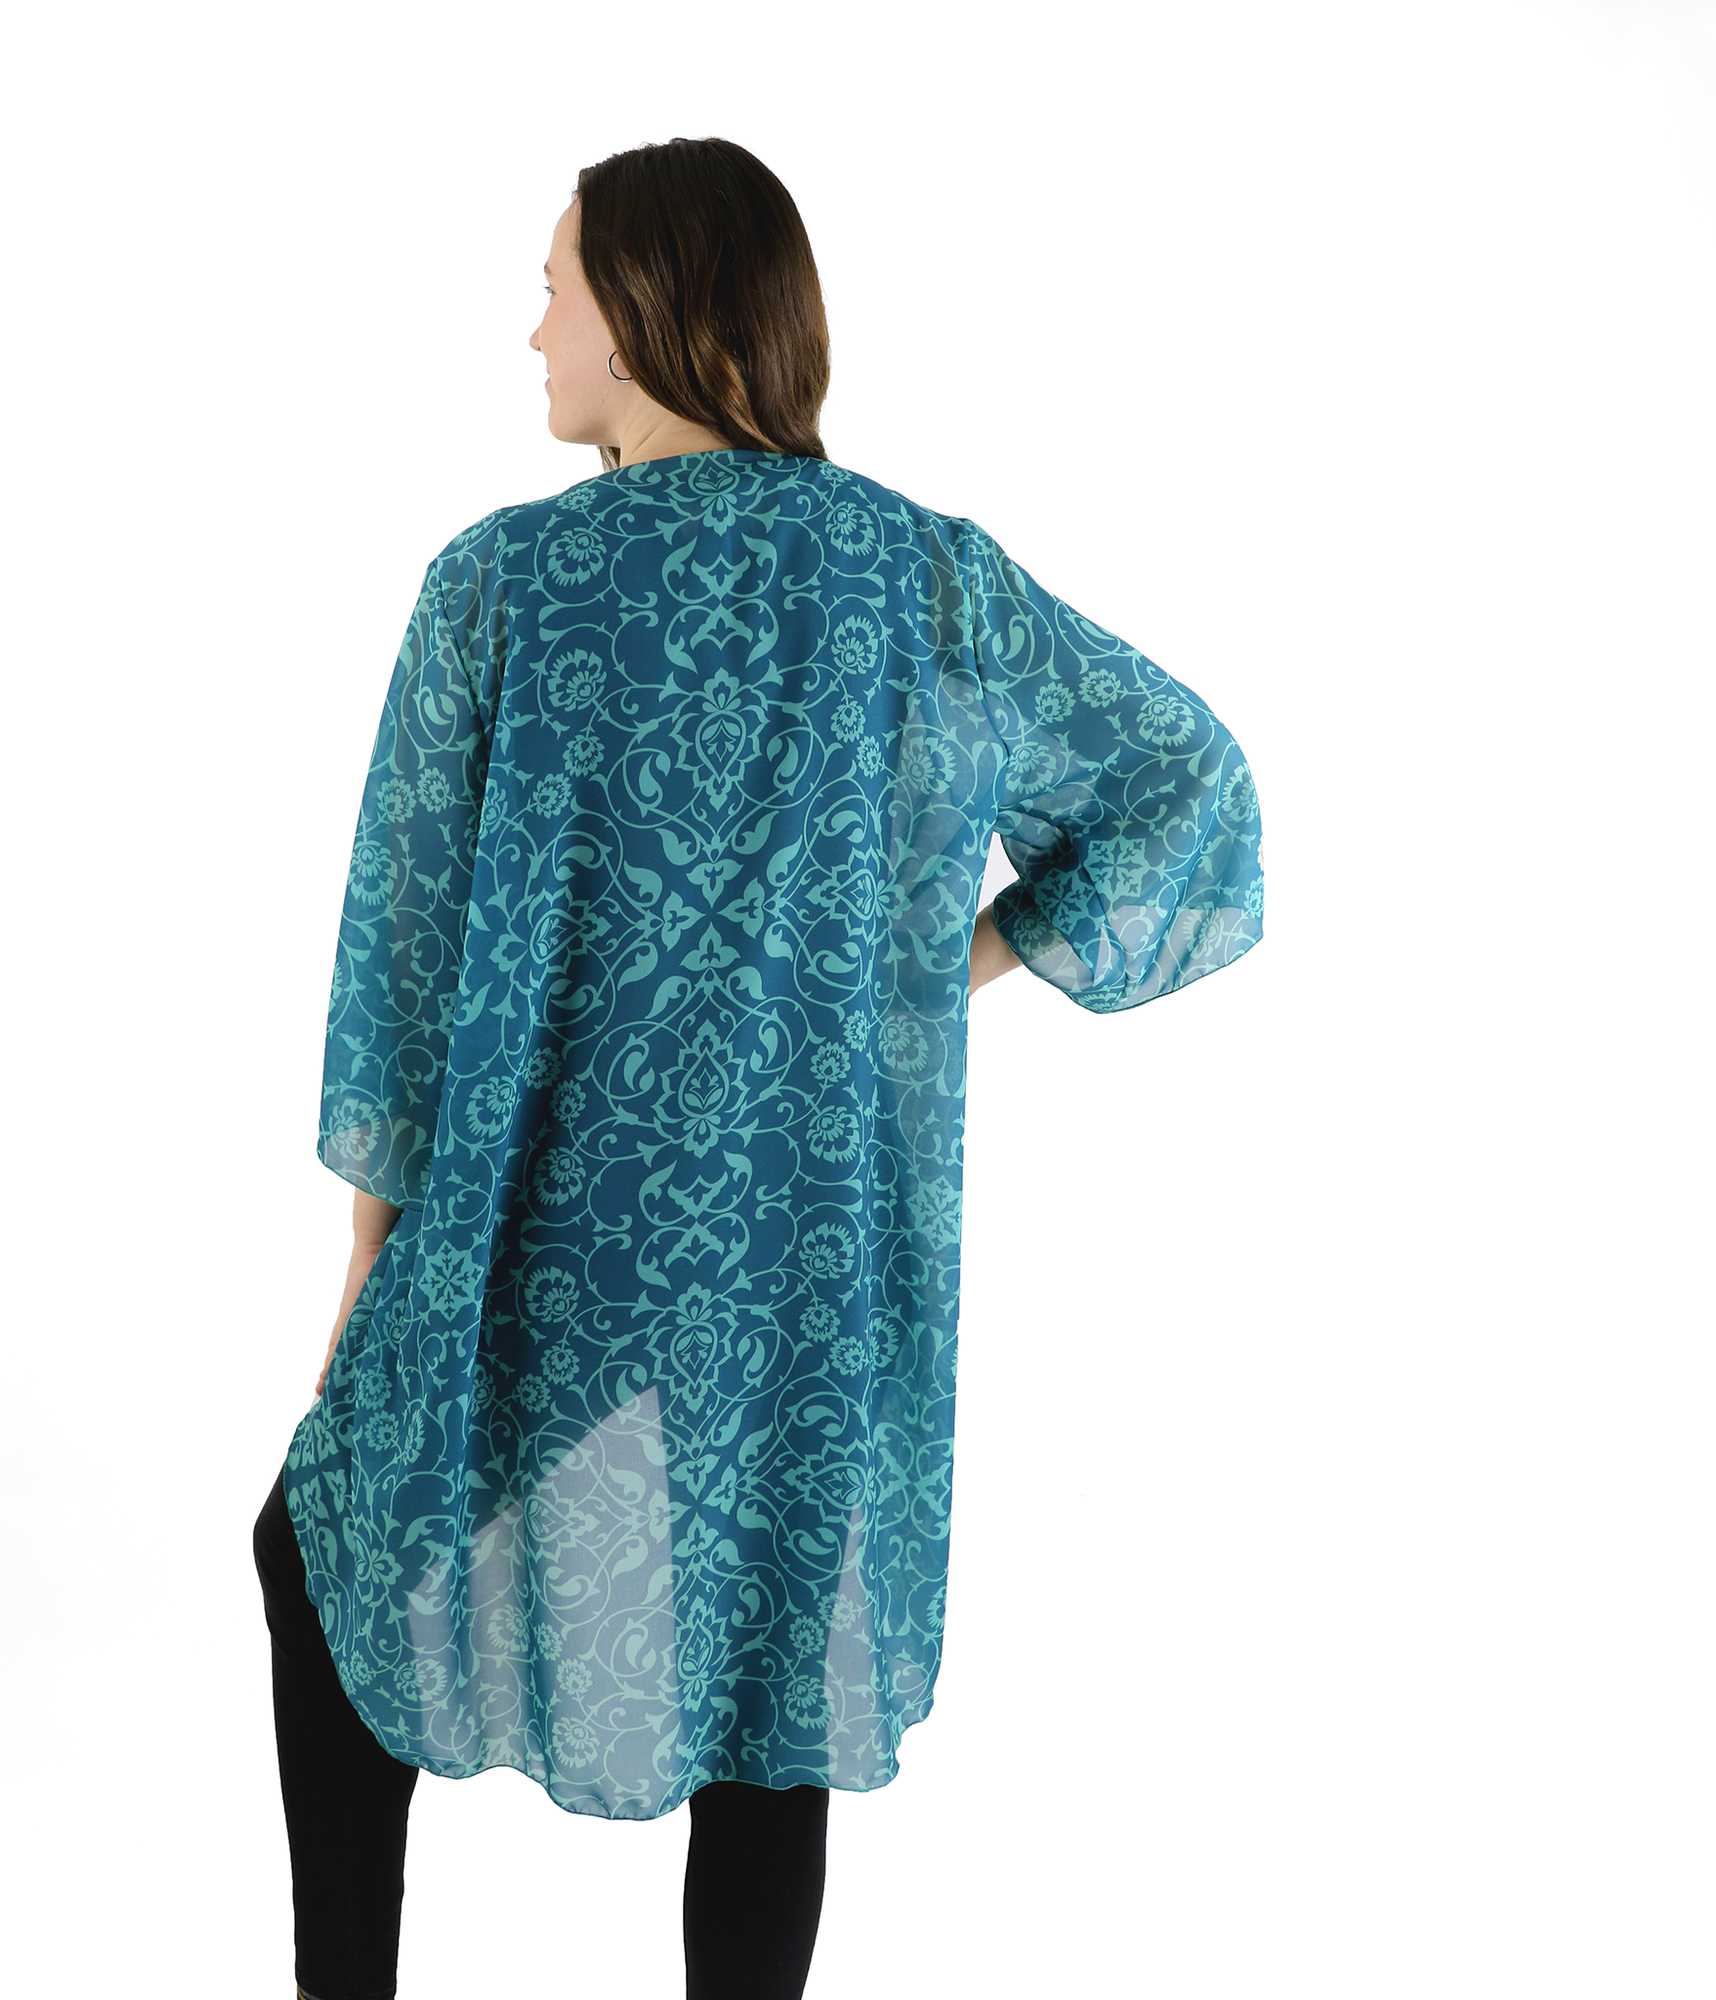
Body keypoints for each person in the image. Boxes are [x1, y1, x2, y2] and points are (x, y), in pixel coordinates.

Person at [253, 135, 1264, 2000]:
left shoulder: (499, 587)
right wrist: (938, 962)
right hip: (800, 1262)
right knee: (771, 1675)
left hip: (543, 1240)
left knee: (325, 1569)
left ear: (645, 310)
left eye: (553, 286)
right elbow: (1186, 785)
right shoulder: (922, 581)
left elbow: (402, 954)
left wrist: (372, 1269)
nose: (530, 329)